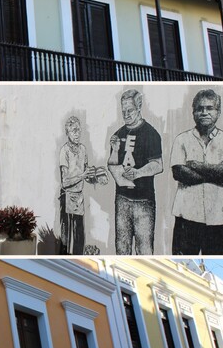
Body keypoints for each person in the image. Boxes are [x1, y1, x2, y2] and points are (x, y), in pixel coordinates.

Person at [169, 89, 223, 254]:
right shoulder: (182, 139)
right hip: (186, 217)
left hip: (220, 218)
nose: (204, 112)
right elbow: (179, 173)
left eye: (209, 108)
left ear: (218, 112)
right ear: (193, 112)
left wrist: (198, 166)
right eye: (199, 108)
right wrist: (217, 173)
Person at [108, 89, 162, 255]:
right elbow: (111, 164)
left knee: (144, 249)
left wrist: (138, 173)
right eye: (123, 111)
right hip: (122, 199)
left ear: (139, 107)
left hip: (143, 201)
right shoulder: (118, 134)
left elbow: (158, 165)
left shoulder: (150, 133)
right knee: (121, 247)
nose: (126, 114)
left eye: (129, 110)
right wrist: (115, 150)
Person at [58, 116, 106, 255]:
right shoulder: (64, 151)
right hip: (66, 197)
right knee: (66, 239)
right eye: (74, 131)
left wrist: (95, 177)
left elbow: (86, 175)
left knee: (79, 237)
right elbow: (65, 182)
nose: (77, 133)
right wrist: (83, 176)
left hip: (79, 197)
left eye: (79, 130)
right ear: (67, 133)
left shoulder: (83, 150)